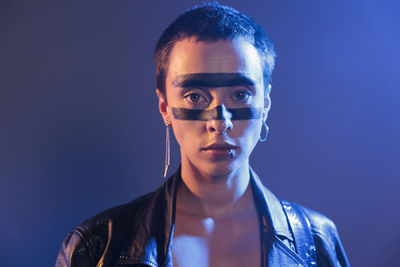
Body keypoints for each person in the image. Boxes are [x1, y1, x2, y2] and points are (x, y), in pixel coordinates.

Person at [55, 2, 350, 267]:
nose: (219, 122)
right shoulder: (97, 246)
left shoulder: (316, 242)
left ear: (266, 104)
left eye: (240, 94)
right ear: (164, 106)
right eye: (195, 97)